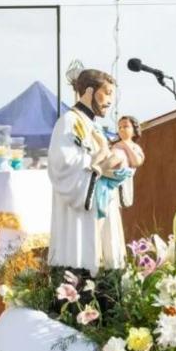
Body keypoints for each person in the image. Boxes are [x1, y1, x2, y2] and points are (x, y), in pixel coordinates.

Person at [47, 68, 132, 274]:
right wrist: (100, 164)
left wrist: (117, 167)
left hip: (101, 204)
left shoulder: (92, 125)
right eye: (107, 93)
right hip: (80, 212)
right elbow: (62, 163)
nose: (110, 101)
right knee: (82, 263)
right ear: (88, 92)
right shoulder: (69, 121)